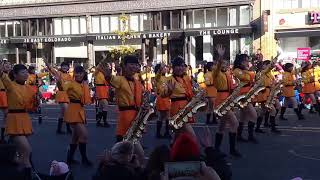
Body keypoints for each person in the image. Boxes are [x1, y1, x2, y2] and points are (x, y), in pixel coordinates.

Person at [0, 62, 36, 176]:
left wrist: (35, 102)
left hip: (24, 119)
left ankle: (19, 170)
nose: (26, 74)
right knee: (26, 149)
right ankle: (28, 172)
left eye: (26, 72)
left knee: (23, 152)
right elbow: (2, 76)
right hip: (14, 119)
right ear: (15, 75)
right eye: (22, 72)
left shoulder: (29, 88)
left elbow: (31, 107)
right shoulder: (10, 85)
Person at [54, 65, 92, 166]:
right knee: (83, 135)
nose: (79, 74)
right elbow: (62, 87)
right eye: (77, 72)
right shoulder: (71, 83)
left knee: (75, 137)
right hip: (73, 111)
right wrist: (58, 81)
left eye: (81, 73)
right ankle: (84, 159)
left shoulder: (84, 84)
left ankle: (69, 158)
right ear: (74, 74)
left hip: (80, 110)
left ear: (83, 74)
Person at [98, 55, 143, 142]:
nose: (134, 66)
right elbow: (110, 78)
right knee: (123, 141)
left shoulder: (138, 82)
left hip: (137, 115)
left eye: (135, 64)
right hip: (125, 115)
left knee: (131, 143)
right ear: (124, 66)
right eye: (131, 64)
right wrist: (107, 74)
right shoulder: (120, 80)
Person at [159, 57, 196, 136]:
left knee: (178, 134)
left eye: (183, 66)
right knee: (192, 135)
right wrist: (169, 91)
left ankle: (174, 147)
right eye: (178, 66)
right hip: (177, 109)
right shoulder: (169, 79)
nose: (181, 68)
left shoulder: (186, 78)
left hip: (186, 107)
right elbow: (162, 94)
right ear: (173, 67)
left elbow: (189, 92)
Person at [233, 54, 259, 143]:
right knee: (254, 115)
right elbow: (246, 78)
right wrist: (250, 72)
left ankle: (239, 135)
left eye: (248, 60)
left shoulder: (245, 70)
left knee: (243, 117)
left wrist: (249, 71)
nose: (247, 62)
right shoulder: (237, 70)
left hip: (247, 93)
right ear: (240, 61)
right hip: (242, 95)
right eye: (245, 61)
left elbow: (252, 78)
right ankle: (250, 136)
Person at [45, 61, 73, 134]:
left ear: (68, 68)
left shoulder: (70, 76)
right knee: (66, 111)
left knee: (63, 113)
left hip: (67, 94)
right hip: (61, 94)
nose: (65, 67)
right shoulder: (58, 73)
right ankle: (68, 128)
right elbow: (51, 69)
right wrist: (46, 62)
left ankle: (59, 129)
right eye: (63, 66)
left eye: (66, 66)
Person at [154, 64, 171, 139]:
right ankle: (163, 133)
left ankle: (163, 132)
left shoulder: (166, 78)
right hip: (161, 98)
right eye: (164, 68)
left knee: (165, 116)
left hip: (167, 98)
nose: (165, 69)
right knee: (164, 116)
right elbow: (157, 76)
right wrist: (160, 70)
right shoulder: (158, 77)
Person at [0, 60, 10, 143]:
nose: (8, 66)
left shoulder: (7, 75)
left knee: (6, 115)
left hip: (4, 93)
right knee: (6, 115)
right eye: (6, 65)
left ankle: (3, 136)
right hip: (2, 93)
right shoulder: (3, 74)